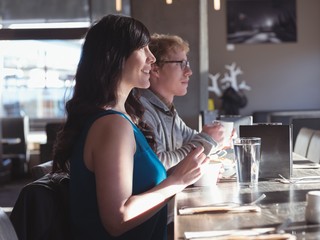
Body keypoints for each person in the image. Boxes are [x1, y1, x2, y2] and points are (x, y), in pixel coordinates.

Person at [51, 15, 208, 240]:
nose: (152, 58)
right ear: (113, 57)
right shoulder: (111, 125)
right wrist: (177, 181)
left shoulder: (123, 119)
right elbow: (118, 219)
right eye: (143, 48)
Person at [137, 33, 226, 170]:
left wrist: (219, 139)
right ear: (155, 69)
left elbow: (194, 139)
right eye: (181, 64)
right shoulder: (142, 110)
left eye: (187, 64)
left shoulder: (167, 110)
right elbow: (157, 164)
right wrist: (207, 141)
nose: (189, 71)